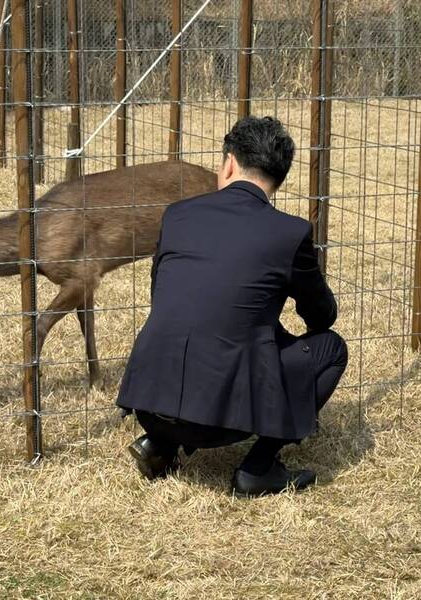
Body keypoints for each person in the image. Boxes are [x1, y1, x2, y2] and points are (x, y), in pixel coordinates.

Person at [116, 116, 347, 497]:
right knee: (331, 348)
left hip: (149, 405)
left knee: (215, 320)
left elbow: (165, 296)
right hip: (221, 424)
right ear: (279, 177)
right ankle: (258, 469)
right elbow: (322, 317)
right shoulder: (290, 232)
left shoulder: (178, 215)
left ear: (228, 163)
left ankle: (160, 443)